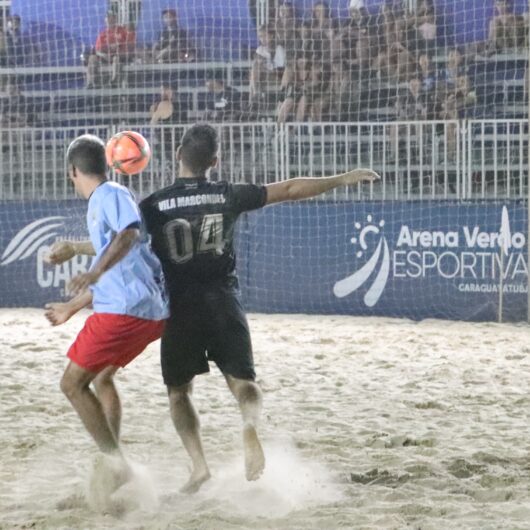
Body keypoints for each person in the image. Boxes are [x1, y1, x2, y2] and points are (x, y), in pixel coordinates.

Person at [51, 125, 379, 494]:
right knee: (243, 383)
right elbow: (288, 189)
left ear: (176, 155)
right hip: (223, 298)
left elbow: (125, 240)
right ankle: (248, 425)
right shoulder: (227, 194)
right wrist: (343, 178)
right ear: (214, 161)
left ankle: (199, 466)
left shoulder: (154, 205)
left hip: (178, 305)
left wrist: (78, 254)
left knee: (179, 392)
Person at [44, 135, 168, 496]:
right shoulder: (106, 197)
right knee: (102, 379)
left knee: (71, 384)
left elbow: (128, 234)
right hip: (143, 310)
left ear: (73, 171)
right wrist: (74, 304)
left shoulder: (110, 194)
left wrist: (93, 272)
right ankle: (113, 469)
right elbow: (120, 265)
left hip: (128, 311)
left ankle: (117, 464)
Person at [86, 12, 135, 88]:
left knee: (116, 59)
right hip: (105, 57)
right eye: (107, 18)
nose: (109, 20)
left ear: (115, 19)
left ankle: (114, 82)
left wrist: (118, 48)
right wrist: (104, 55)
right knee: (92, 58)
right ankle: (91, 82)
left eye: (111, 17)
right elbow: (97, 50)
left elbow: (130, 45)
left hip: (120, 56)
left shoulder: (123, 31)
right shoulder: (103, 34)